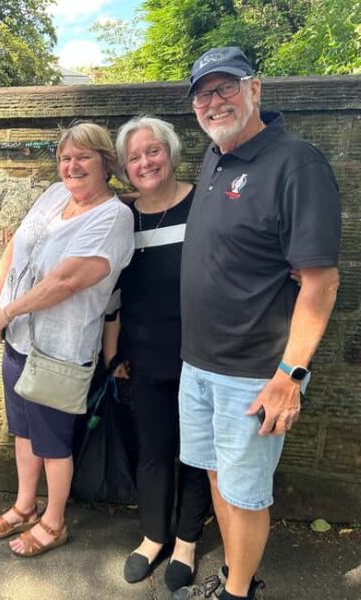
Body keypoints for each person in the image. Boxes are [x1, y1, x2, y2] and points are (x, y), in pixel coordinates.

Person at [173, 47, 341, 600]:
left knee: (245, 494)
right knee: (220, 479)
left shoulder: (297, 163)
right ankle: (234, 579)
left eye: (225, 88)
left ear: (256, 89)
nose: (213, 102)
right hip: (199, 363)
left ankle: (237, 593)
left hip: (255, 373)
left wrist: (289, 375)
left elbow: (320, 281)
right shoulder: (215, 156)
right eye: (203, 94)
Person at [0, 122, 134, 557]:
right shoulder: (53, 195)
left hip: (58, 350)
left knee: (53, 442)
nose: (72, 165)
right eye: (65, 157)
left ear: (106, 163)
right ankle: (25, 506)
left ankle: (54, 521)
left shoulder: (113, 216)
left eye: (83, 157)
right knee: (25, 433)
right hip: (18, 341)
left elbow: (66, 281)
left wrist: (9, 310)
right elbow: (17, 246)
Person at [103, 116, 211, 592]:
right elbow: (109, 290)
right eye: (134, 157)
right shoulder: (121, 216)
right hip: (142, 355)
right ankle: (153, 535)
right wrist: (112, 355)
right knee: (152, 449)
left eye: (154, 151)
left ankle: (187, 540)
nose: (145, 162)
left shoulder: (204, 203)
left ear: (171, 152)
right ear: (125, 169)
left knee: (194, 453)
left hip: (203, 353)